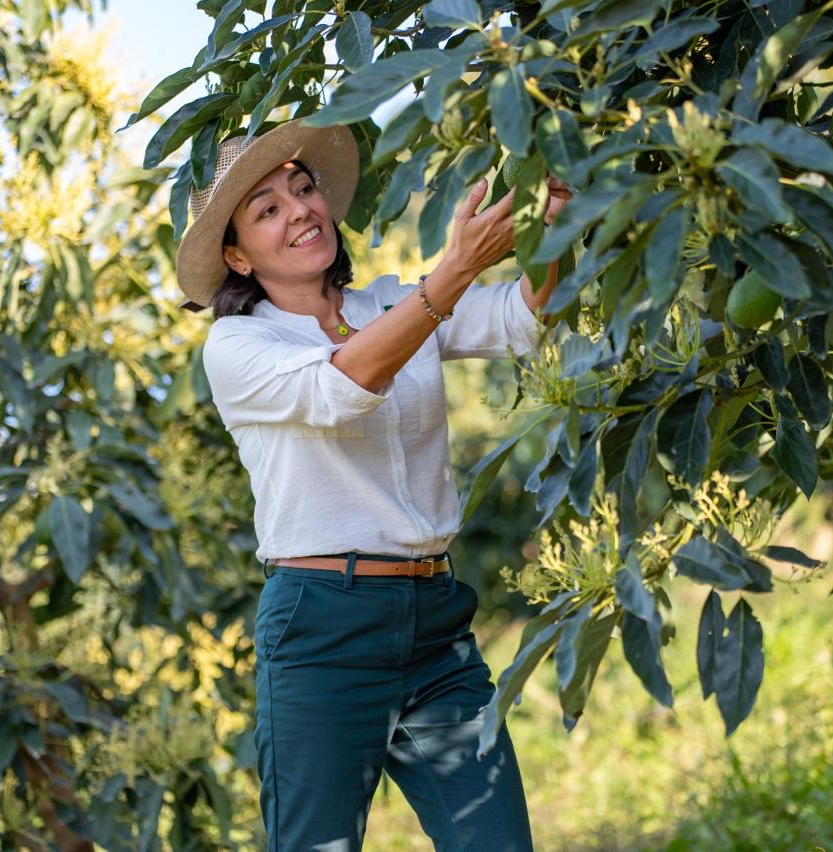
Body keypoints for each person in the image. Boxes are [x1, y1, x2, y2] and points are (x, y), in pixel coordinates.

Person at [174, 116, 572, 851]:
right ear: (236, 254)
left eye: (303, 189)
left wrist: (554, 225)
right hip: (323, 626)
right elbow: (346, 384)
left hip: (434, 620)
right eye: (267, 209)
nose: (299, 210)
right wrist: (452, 273)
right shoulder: (238, 346)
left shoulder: (388, 305)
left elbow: (524, 317)